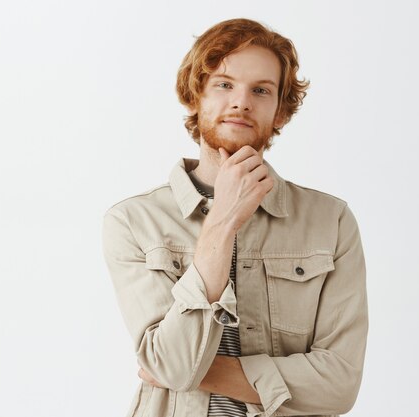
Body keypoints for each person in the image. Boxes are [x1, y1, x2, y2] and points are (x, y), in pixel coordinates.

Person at [101, 18, 368, 417]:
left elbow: (339, 385)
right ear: (196, 97)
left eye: (261, 90)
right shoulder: (134, 222)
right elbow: (169, 365)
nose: (241, 102)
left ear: (280, 112)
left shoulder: (331, 221)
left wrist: (197, 372)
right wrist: (223, 220)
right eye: (224, 84)